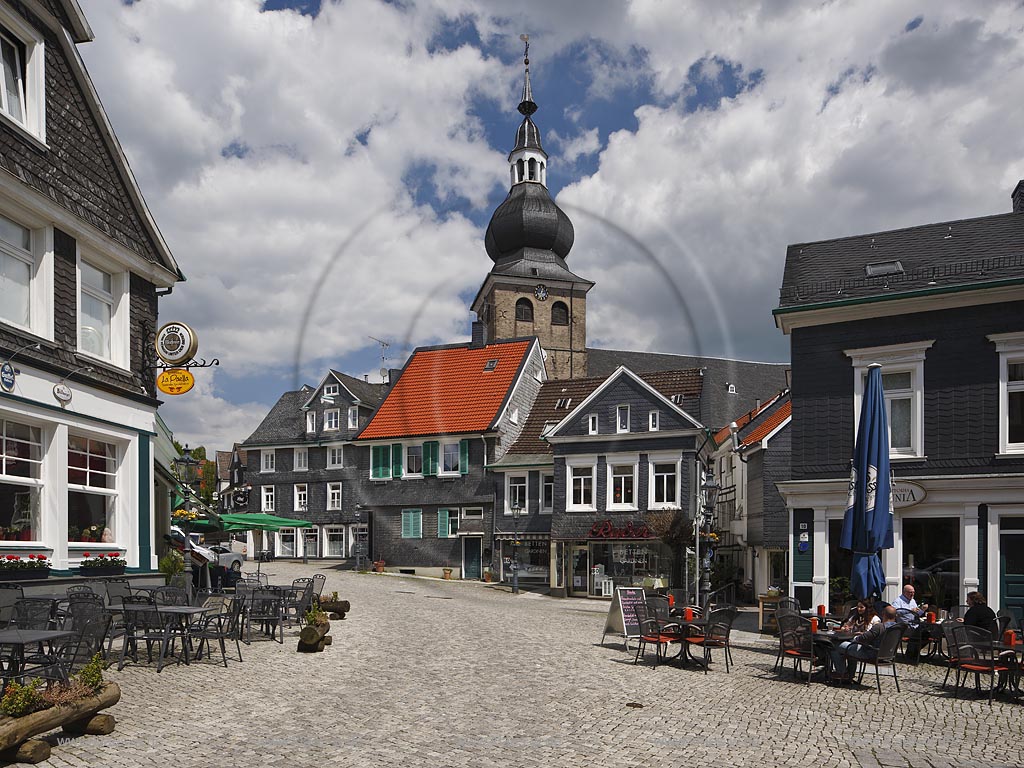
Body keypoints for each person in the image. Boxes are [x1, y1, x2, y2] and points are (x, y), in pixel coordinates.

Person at [829, 605, 898, 681]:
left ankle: (842, 673)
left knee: (834, 645)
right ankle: (850, 675)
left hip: (869, 653)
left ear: (883, 614)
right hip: (887, 655)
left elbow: (863, 638)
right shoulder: (898, 628)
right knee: (850, 647)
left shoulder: (879, 627)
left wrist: (855, 638)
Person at [892, 584, 928, 663]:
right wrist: (909, 610)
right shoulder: (898, 601)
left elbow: (916, 614)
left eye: (913, 592)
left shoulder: (912, 600)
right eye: (910, 592)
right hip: (905, 627)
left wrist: (922, 610)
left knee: (928, 633)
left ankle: (914, 652)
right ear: (904, 592)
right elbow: (895, 612)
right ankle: (911, 653)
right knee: (920, 632)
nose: (912, 594)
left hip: (915, 624)